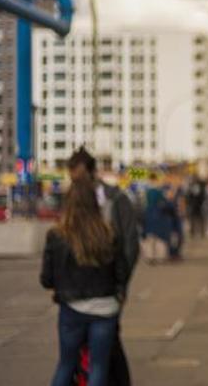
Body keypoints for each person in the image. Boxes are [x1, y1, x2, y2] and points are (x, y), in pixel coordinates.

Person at [41, 179, 129, 386]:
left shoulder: (56, 235)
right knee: (98, 367)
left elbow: (46, 279)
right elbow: (121, 272)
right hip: (105, 308)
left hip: (72, 309)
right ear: (95, 203)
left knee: (66, 364)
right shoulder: (108, 233)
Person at [67, 147, 139, 386]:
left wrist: (121, 284)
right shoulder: (72, 203)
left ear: (91, 173)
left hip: (109, 288)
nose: (76, 184)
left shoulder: (116, 200)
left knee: (106, 345)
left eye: (79, 178)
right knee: (98, 348)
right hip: (79, 291)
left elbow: (129, 245)